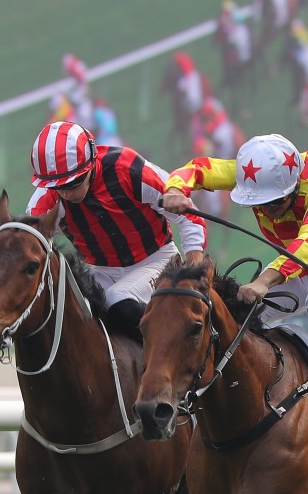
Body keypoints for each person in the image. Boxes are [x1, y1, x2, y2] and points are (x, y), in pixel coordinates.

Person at [161, 133, 308, 429]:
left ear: (292, 188)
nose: (264, 211)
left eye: (273, 204)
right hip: (297, 272)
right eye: (257, 204)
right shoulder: (258, 174)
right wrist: (176, 188)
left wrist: (264, 281)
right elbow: (201, 169)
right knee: (238, 317)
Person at [26, 120, 207, 337]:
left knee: (118, 300)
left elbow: (191, 218)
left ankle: (178, 348)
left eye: (72, 183)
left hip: (157, 261)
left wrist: (193, 274)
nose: (64, 194)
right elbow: (27, 246)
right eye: (56, 187)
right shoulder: (48, 196)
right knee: (70, 309)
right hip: (100, 271)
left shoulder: (129, 168)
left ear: (91, 163)